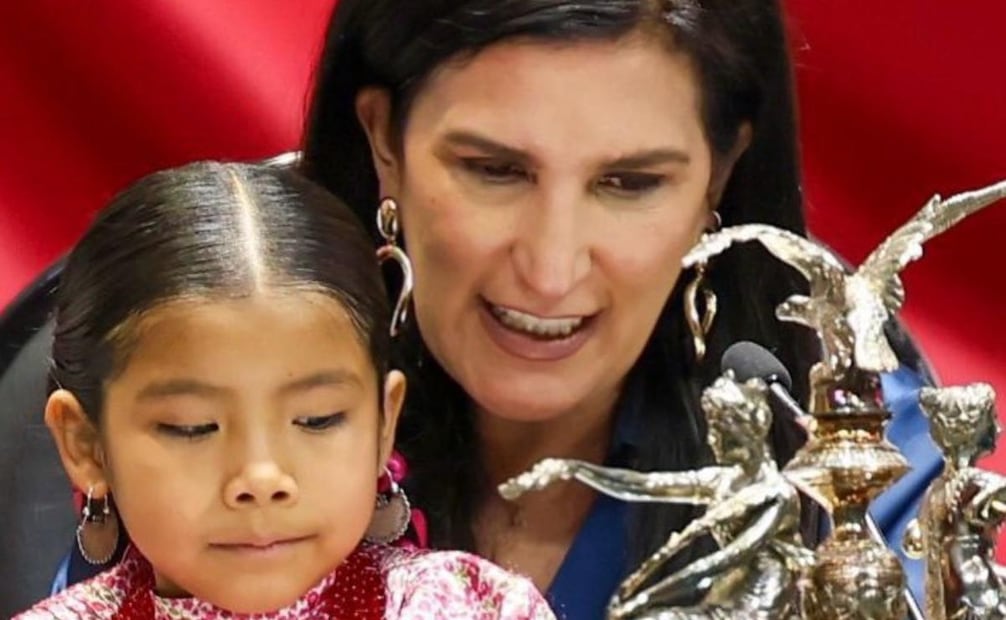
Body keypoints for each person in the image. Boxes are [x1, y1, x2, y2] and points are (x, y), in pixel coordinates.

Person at [57, 0, 941, 615]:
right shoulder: (221, 370)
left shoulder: (853, 449)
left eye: (629, 183)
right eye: (494, 171)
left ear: (721, 175)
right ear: (383, 140)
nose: (550, 271)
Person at [17, 161, 554, 618]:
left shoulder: (473, 608)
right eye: (193, 427)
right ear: (86, 445)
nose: (261, 478)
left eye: (318, 419)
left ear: (383, 423)